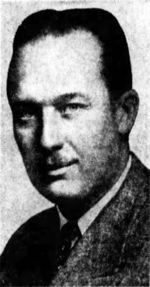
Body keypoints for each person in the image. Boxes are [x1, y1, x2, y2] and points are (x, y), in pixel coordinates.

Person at [0, 8, 149, 287]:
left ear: (124, 113)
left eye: (70, 107)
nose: (47, 140)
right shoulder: (23, 245)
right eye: (27, 113)